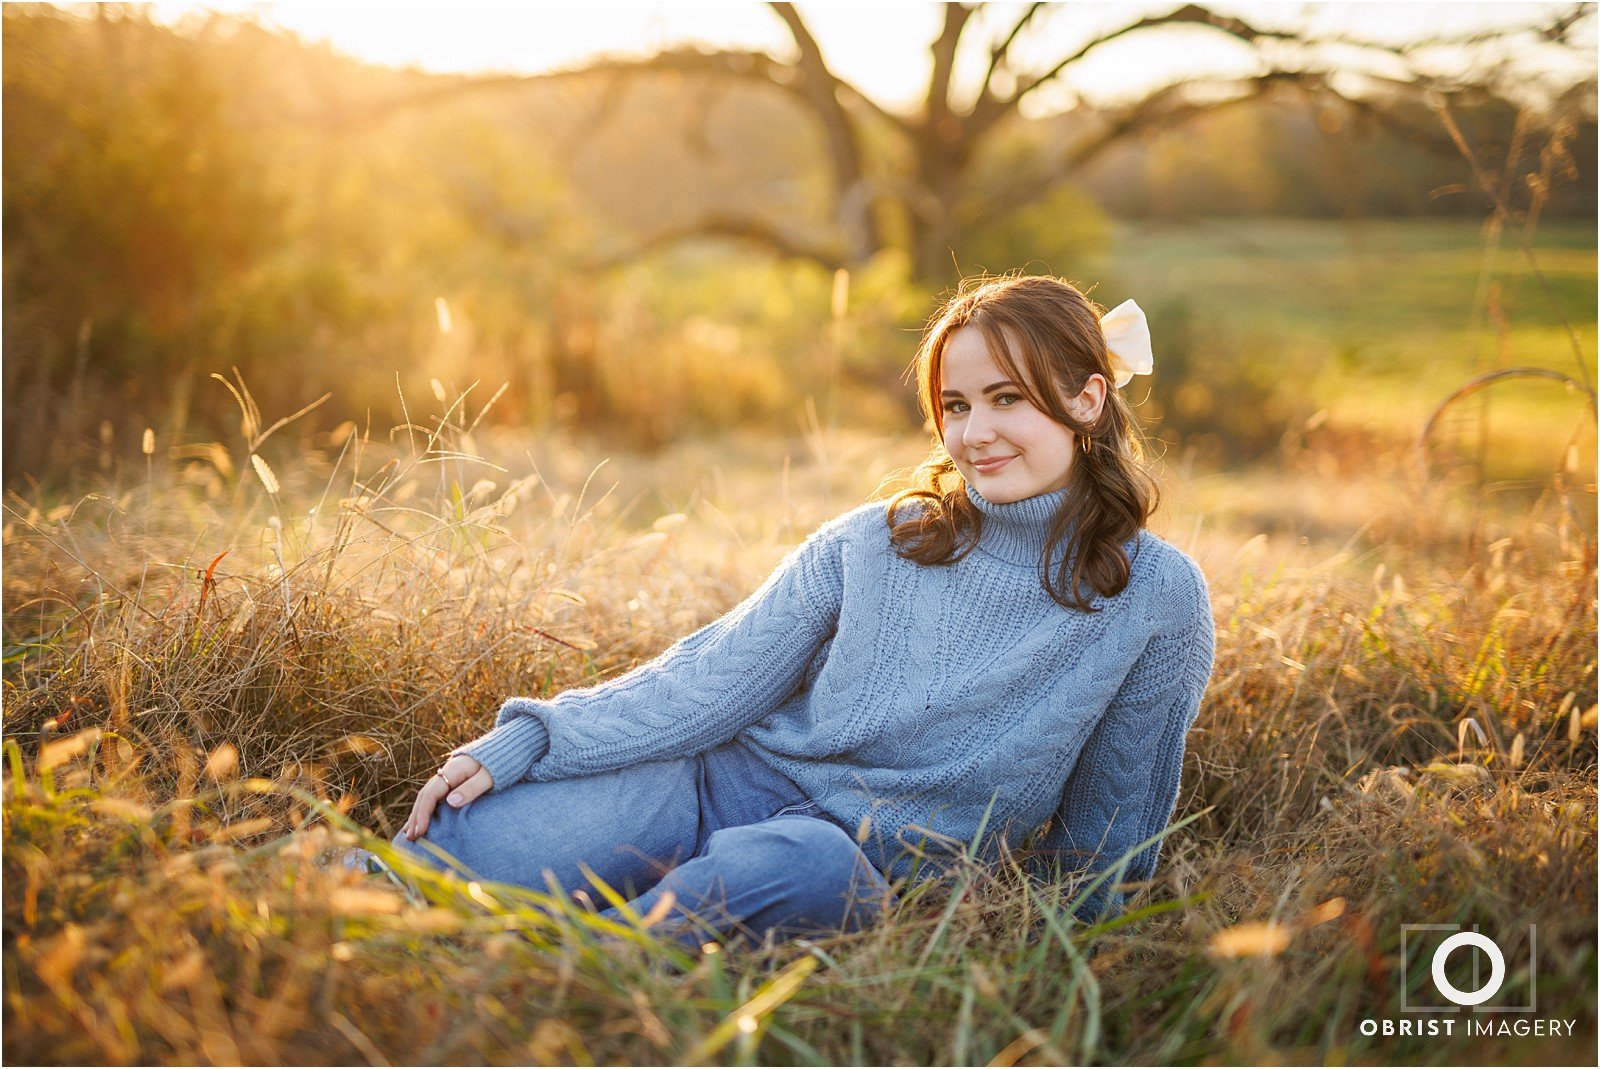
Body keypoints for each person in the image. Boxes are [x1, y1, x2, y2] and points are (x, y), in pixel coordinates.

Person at [388, 274, 1215, 949]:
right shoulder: (877, 541)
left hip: (840, 866)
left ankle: (568, 965)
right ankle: (352, 903)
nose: (975, 434)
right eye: (957, 406)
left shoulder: (1156, 597)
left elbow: (1106, 835)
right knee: (454, 857)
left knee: (801, 867)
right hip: (710, 786)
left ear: (1087, 400)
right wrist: (537, 738)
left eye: (1007, 398)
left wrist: (1049, 951)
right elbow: (709, 679)